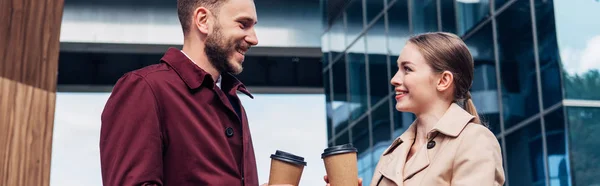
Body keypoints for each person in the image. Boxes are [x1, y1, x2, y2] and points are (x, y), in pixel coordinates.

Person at [99, 0, 287, 185]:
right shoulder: (146, 89)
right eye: (243, 24)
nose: (254, 39)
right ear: (203, 20)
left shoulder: (233, 103)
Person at [324, 32, 505, 186]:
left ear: (443, 81)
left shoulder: (473, 140)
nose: (394, 79)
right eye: (398, 69)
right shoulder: (392, 154)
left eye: (407, 69)